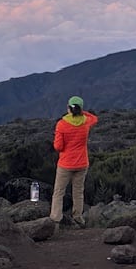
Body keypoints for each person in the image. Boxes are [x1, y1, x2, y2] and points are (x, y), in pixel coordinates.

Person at [50, 95, 98, 228]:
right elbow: (95, 118)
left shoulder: (61, 124)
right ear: (81, 109)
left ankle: (55, 218)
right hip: (82, 163)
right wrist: (83, 112)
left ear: (68, 108)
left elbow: (58, 147)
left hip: (65, 164)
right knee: (78, 191)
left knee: (59, 191)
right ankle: (78, 217)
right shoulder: (86, 121)